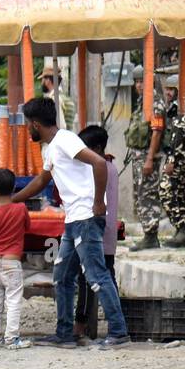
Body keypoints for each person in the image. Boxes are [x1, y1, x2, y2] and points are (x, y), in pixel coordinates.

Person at [11, 97, 130, 349]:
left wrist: (99, 202)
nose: (26, 130)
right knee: (62, 276)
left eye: (26, 125)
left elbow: (99, 163)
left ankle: (118, 332)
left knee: (97, 275)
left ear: (34, 124)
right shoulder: (50, 147)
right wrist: (12, 200)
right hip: (73, 219)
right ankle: (64, 334)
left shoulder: (65, 140)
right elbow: (42, 181)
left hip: (86, 217)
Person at [74, 125, 119, 344]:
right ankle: (115, 324)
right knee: (107, 277)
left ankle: (81, 324)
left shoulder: (100, 168)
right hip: (107, 234)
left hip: (98, 232)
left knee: (88, 279)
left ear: (97, 148)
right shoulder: (110, 166)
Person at [0, 168, 30, 348]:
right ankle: (12, 338)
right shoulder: (21, 208)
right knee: (13, 300)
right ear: (15, 186)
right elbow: (27, 226)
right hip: (12, 262)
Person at [126, 65, 165, 250]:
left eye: (142, 81)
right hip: (138, 156)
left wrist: (149, 159)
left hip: (148, 157)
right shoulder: (142, 103)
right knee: (141, 194)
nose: (139, 85)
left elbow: (157, 132)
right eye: (137, 82)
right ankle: (148, 234)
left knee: (148, 194)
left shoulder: (155, 103)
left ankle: (151, 235)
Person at [159, 74, 185, 248]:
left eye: (171, 89)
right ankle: (183, 233)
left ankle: (181, 227)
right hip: (184, 157)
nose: (168, 92)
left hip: (179, 157)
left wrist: (171, 160)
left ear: (178, 90)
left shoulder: (181, 108)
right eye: (167, 89)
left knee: (166, 190)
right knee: (181, 194)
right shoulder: (181, 106)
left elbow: (177, 136)